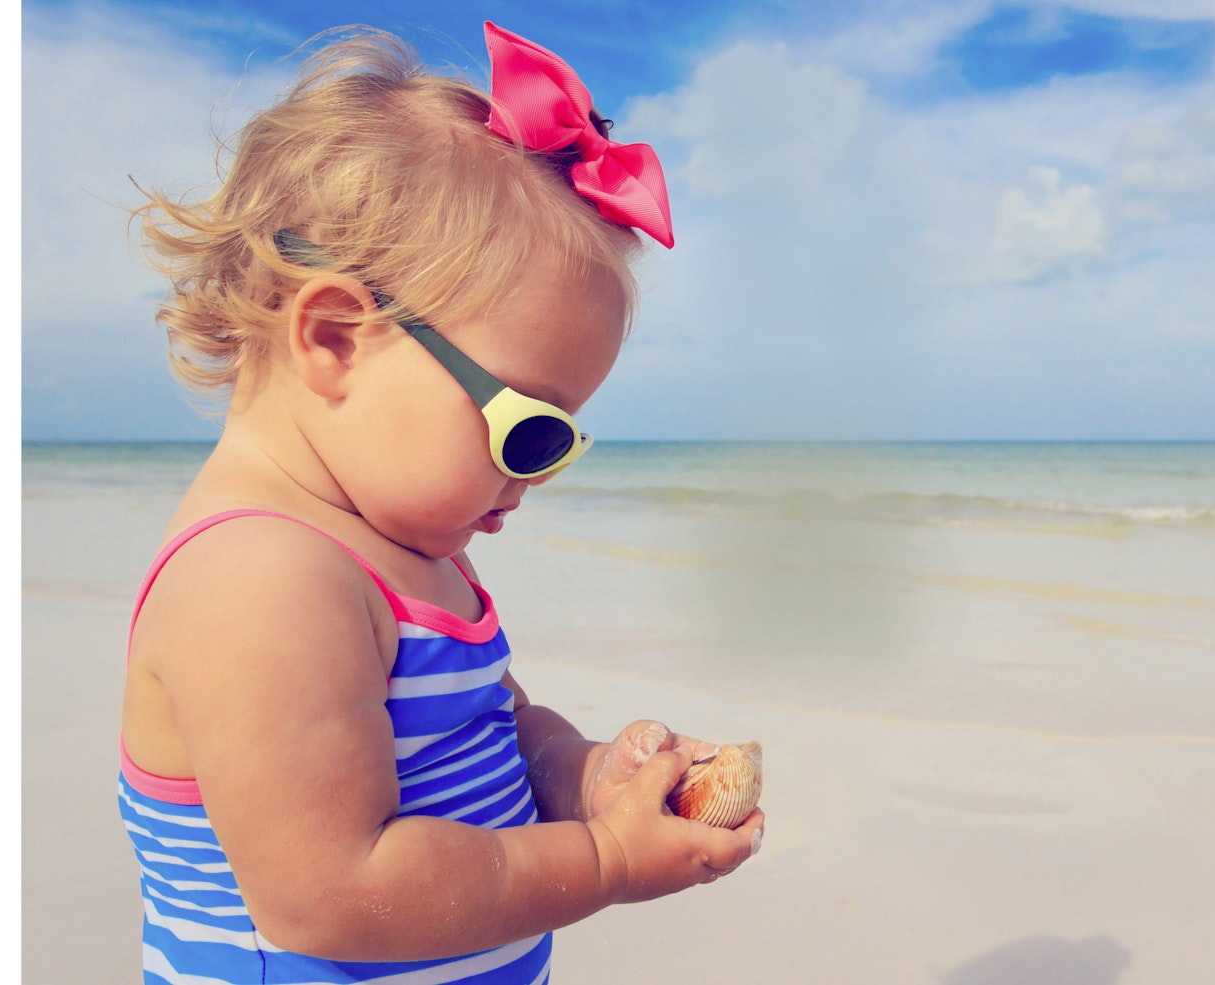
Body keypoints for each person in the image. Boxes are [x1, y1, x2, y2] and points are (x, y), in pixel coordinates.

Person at [116, 20, 764, 985]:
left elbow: (498, 721)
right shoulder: (261, 581)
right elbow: (330, 891)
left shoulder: (407, 550)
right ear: (334, 336)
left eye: (564, 438)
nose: (541, 472)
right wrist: (605, 861)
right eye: (528, 426)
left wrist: (584, 775)